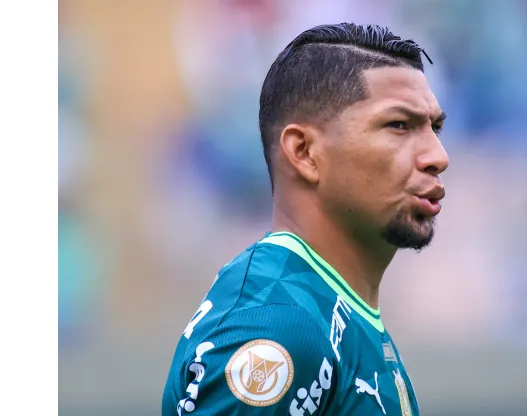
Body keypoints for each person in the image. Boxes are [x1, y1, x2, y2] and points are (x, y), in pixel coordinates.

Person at [162, 22, 449, 415]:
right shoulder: (277, 325)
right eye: (399, 125)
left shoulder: (335, 307)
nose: (438, 155)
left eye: (435, 127)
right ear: (304, 152)